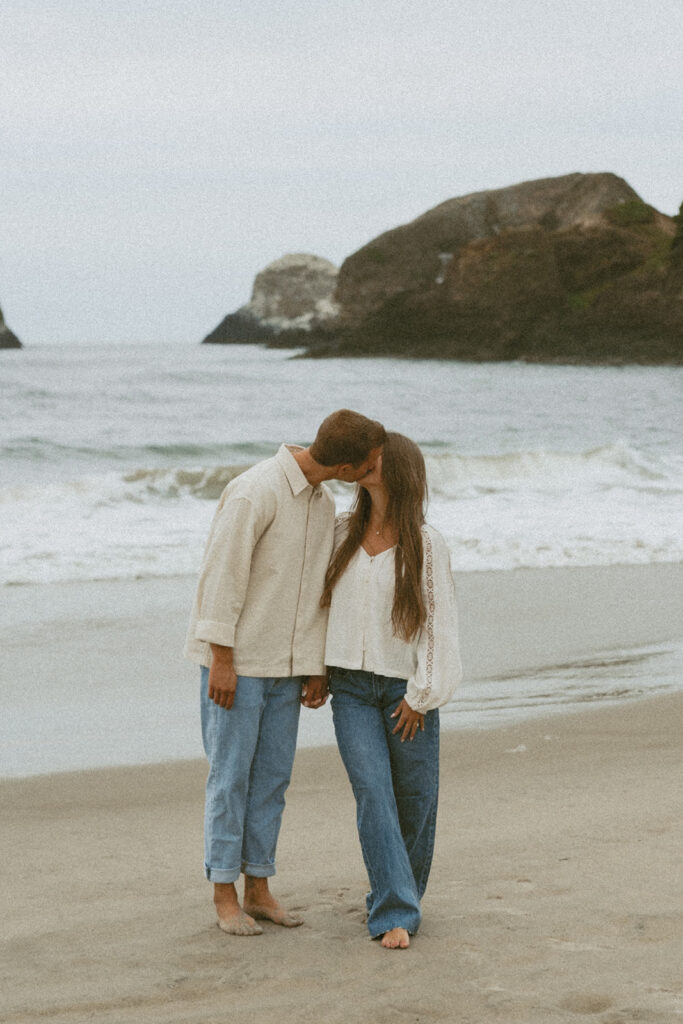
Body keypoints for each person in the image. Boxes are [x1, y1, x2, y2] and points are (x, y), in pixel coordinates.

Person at [184, 410, 385, 936]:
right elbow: (220, 578)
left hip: (287, 670)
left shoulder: (323, 502)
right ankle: (224, 895)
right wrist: (222, 659)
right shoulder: (255, 491)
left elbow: (319, 588)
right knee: (231, 779)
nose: (374, 468)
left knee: (272, 781)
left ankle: (259, 889)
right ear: (345, 464)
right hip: (237, 666)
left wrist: (314, 667)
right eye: (369, 462)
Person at [322, 431, 462, 949]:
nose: (366, 464)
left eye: (376, 458)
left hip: (407, 689)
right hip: (352, 689)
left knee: (416, 802)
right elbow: (321, 609)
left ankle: (399, 893)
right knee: (373, 795)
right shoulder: (340, 531)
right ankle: (395, 910)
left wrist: (422, 694)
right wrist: (316, 671)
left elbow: (439, 623)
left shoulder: (425, 542)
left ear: (399, 468)